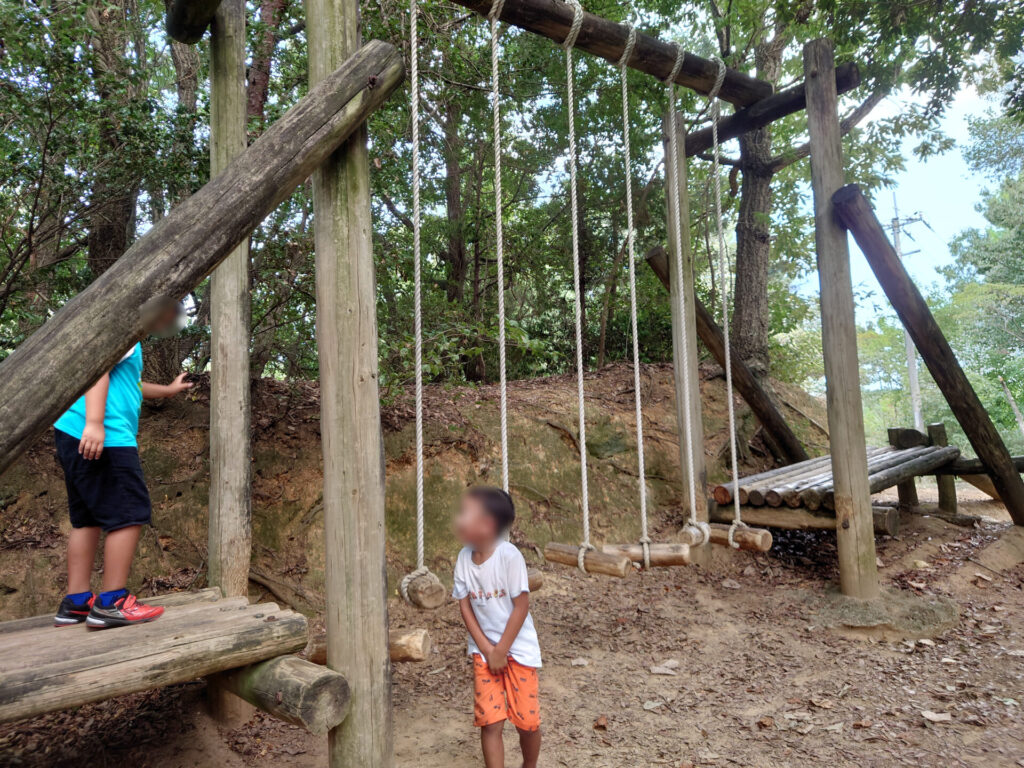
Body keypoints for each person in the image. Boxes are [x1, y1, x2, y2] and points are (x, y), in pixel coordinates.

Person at [52, 309, 193, 629]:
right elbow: (97, 369)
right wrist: (95, 423)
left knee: (86, 519)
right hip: (106, 436)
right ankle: (112, 602)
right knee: (130, 512)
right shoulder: (122, 330)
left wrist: (169, 390)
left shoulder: (125, 340)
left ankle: (76, 603)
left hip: (71, 432)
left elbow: (132, 386)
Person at [453, 487, 541, 768]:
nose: (458, 519)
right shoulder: (463, 559)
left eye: (465, 513)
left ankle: (529, 765)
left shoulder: (509, 556)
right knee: (490, 723)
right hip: (483, 651)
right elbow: (465, 605)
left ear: (487, 524)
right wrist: (487, 649)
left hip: (518, 650)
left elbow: (521, 605)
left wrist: (501, 650)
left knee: (527, 723)